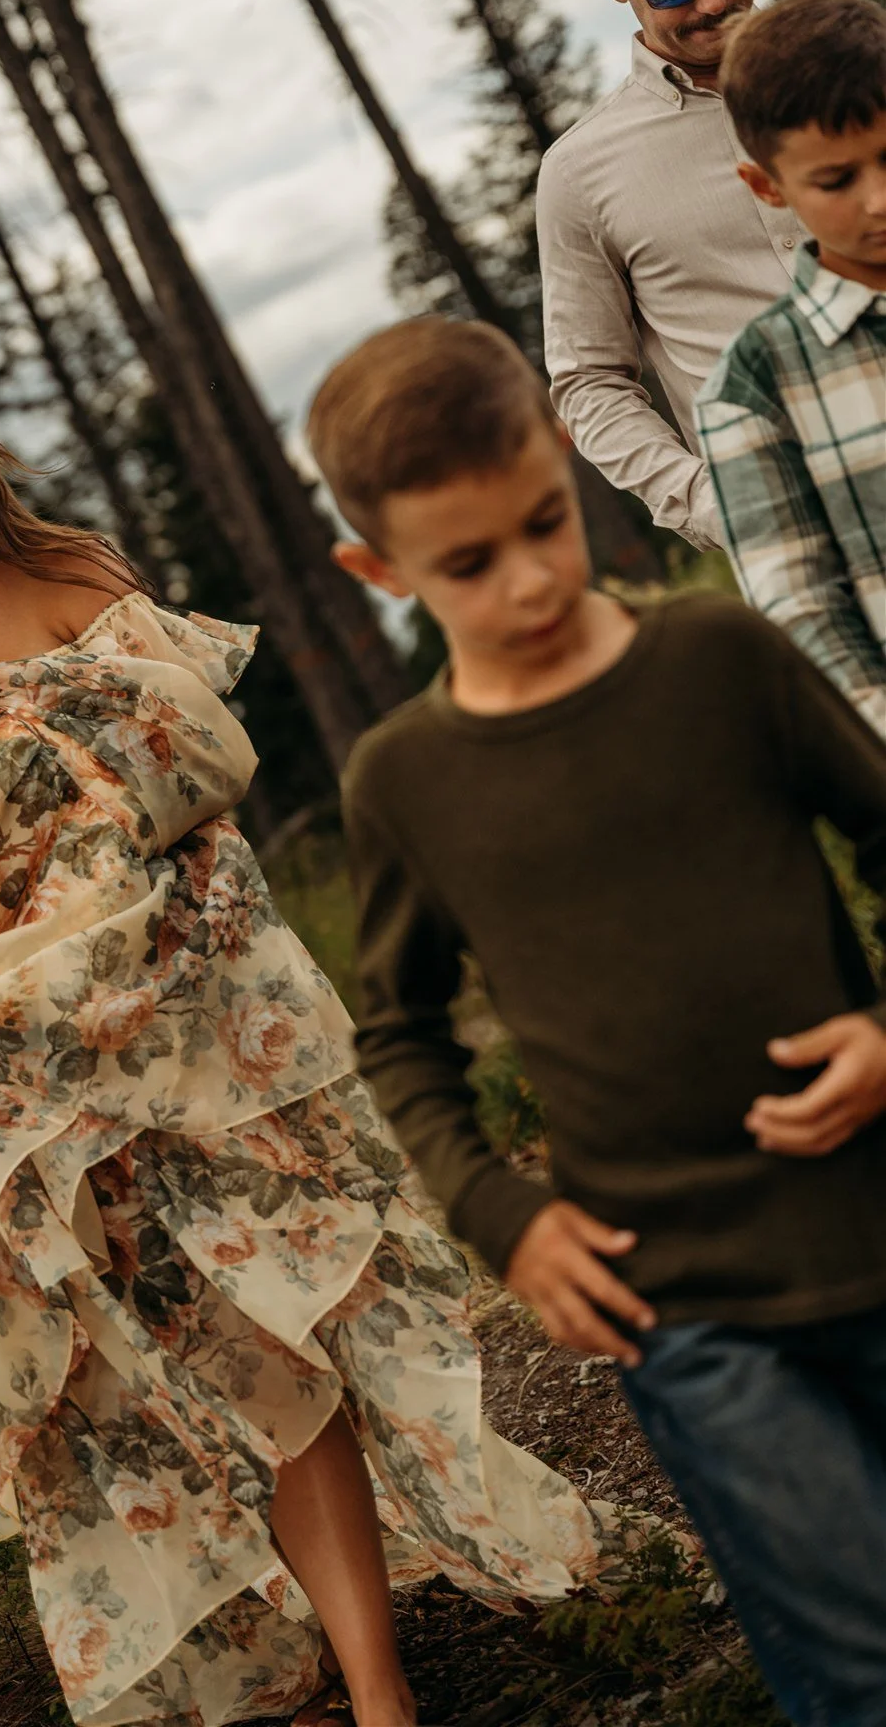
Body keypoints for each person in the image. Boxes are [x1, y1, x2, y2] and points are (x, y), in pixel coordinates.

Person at [0, 329, 640, 1727]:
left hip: (173, 1042)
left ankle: (379, 1691)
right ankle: (263, 1664)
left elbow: (195, 786)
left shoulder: (68, 583)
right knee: (113, 1398)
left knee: (277, 1349)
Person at [308, 315, 886, 1727]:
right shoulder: (407, 781)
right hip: (675, 1296)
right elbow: (399, 1033)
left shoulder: (721, 661)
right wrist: (504, 1215)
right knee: (858, 1656)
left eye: (543, 526)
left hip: (877, 1208)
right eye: (467, 565)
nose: (529, 582)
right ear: (376, 573)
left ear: (564, 464)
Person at [538, 0, 805, 552]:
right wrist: (711, 505)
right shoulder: (577, 175)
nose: (714, 1)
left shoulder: (859, 65)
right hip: (802, 556)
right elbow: (589, 383)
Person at [696, 0, 886, 739]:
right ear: (767, 186)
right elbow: (803, 613)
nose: (879, 201)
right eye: (836, 182)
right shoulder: (752, 386)